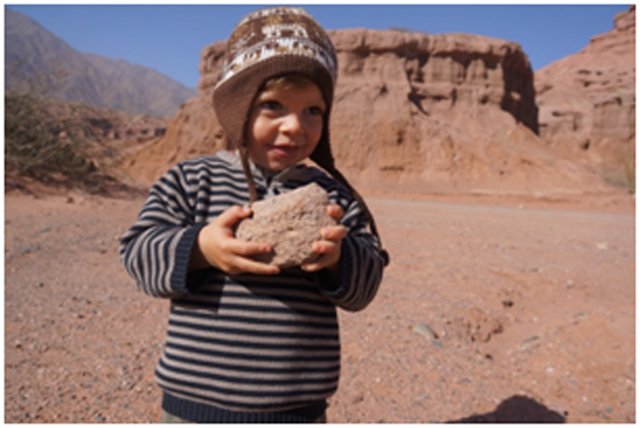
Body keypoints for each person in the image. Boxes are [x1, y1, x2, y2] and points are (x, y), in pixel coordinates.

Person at [119, 6, 389, 423]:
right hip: (196, 409)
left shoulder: (333, 196)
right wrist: (202, 247)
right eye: (273, 105)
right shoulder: (192, 179)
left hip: (297, 410)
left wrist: (338, 260)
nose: (294, 127)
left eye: (312, 110)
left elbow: (366, 286)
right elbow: (138, 255)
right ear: (238, 107)